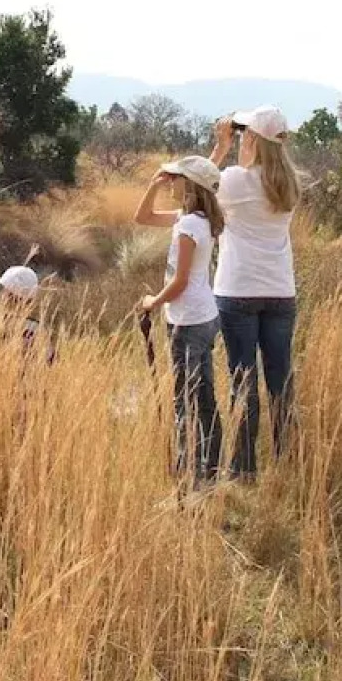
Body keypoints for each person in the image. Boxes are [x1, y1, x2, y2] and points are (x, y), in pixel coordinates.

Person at [208, 106, 301, 481]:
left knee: (242, 379)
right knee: (280, 378)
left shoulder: (233, 180)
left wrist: (221, 146)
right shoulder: (290, 182)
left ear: (251, 138)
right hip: (280, 289)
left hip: (238, 288)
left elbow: (196, 189)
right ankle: (286, 460)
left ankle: (244, 467)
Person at [133, 155, 225, 487]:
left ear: (191, 186)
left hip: (186, 319)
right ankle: (210, 468)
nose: (171, 182)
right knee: (204, 395)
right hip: (205, 315)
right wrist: (153, 186)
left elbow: (180, 281)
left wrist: (152, 303)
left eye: (176, 178)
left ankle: (189, 472)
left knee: (183, 398)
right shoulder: (198, 219)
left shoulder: (187, 224)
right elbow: (142, 216)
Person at [0, 244, 57, 364]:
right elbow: (51, 362)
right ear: (31, 299)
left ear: (7, 296)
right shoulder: (39, 329)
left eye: (4, 291)